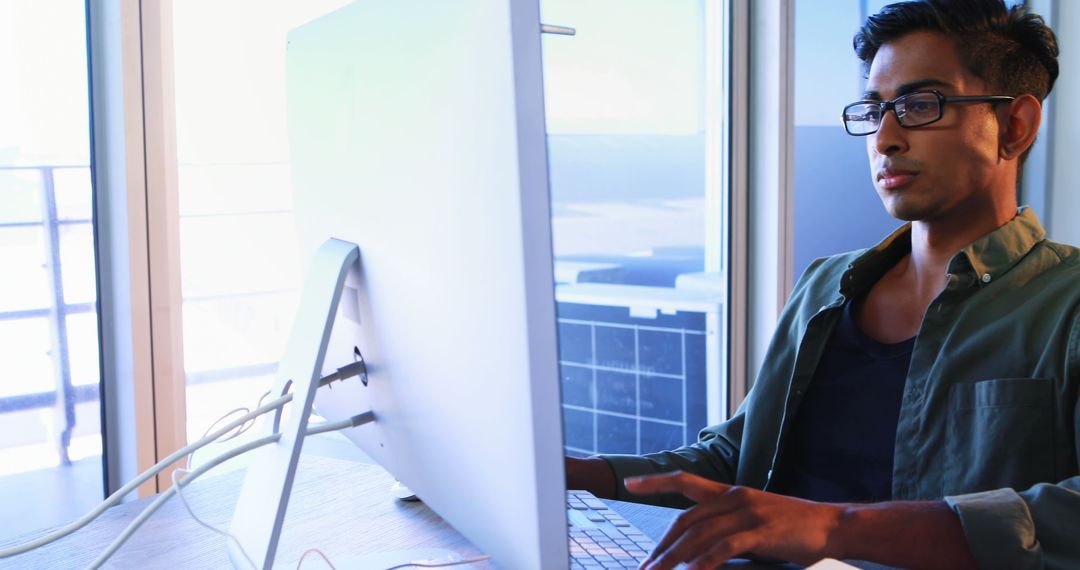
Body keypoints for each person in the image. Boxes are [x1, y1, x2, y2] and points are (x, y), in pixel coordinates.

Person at [565, 1, 1078, 568]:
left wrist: (838, 528)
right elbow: (738, 457)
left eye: (919, 105)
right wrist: (576, 476)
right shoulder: (825, 285)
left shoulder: (1067, 302)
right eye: (875, 109)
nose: (885, 138)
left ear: (1015, 125)